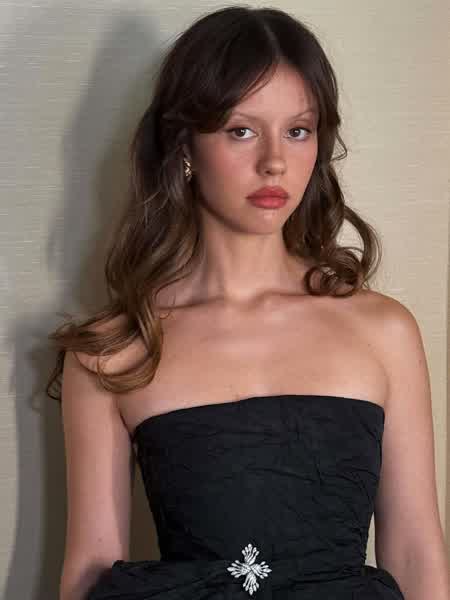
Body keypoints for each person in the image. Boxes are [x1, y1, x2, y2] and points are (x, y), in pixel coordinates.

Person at [48, 5, 450, 600]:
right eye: (241, 130)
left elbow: (417, 557)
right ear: (184, 145)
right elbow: (89, 575)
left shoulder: (383, 330)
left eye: (298, 130)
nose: (274, 161)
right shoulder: (113, 351)